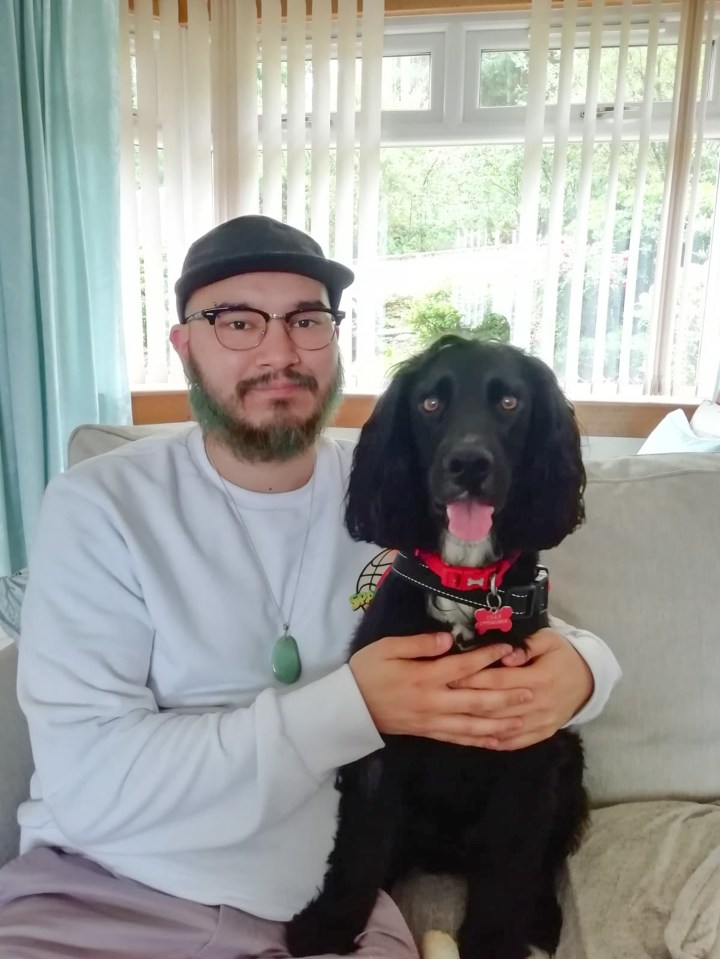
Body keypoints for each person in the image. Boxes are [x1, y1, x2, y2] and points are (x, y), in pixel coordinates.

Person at [0, 215, 621, 959]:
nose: (279, 351)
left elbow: (510, 602)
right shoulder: (99, 504)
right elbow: (88, 782)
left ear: (334, 341)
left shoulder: (397, 482)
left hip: (320, 905)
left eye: (306, 319)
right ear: (184, 346)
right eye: (236, 321)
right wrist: (351, 707)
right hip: (100, 888)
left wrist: (585, 670)